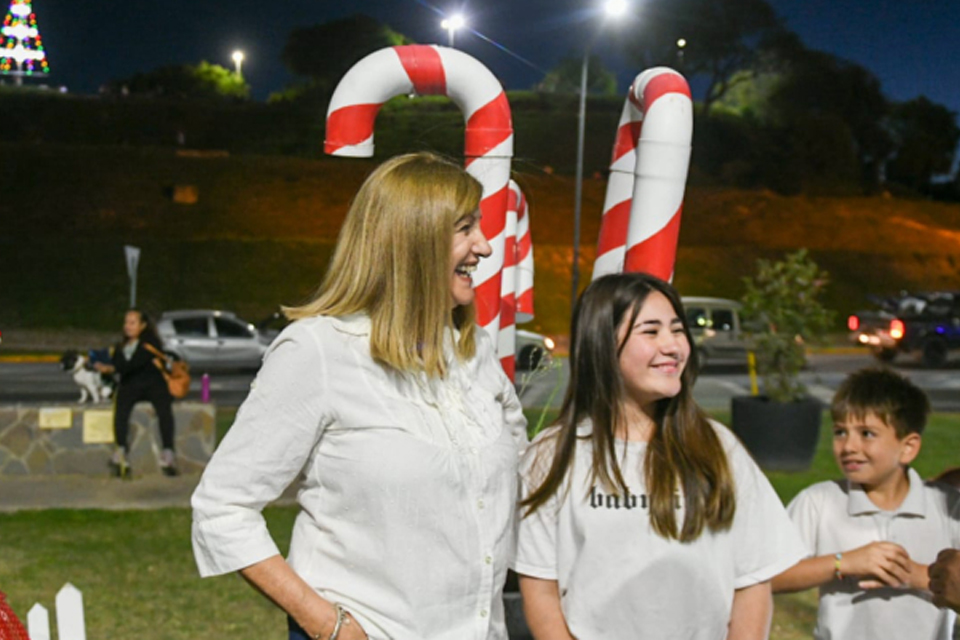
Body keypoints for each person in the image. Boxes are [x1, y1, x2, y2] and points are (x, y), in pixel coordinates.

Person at [190, 152, 527, 640]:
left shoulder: (475, 353)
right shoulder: (320, 351)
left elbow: (522, 473)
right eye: (466, 228)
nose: (486, 246)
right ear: (412, 238)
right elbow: (222, 508)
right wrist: (327, 624)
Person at [514, 272, 804, 639]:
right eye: (650, 332)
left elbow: (753, 579)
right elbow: (540, 592)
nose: (672, 346)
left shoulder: (719, 447)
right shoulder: (553, 456)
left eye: (677, 330)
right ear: (601, 344)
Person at [771, 367, 960, 639]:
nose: (848, 446)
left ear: (908, 447)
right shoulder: (819, 501)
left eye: (867, 434)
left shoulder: (948, 507)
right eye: (840, 432)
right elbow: (769, 575)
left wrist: (913, 574)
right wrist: (843, 563)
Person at [94, 308, 177, 478]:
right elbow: (119, 364)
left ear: (143, 325)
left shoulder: (150, 344)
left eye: (133, 323)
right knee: (121, 410)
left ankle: (168, 452)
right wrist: (107, 367)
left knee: (164, 410)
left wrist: (111, 368)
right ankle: (121, 451)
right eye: (126, 322)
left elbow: (131, 365)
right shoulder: (121, 346)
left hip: (152, 385)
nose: (128, 326)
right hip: (130, 386)